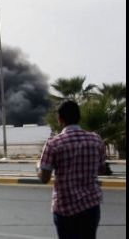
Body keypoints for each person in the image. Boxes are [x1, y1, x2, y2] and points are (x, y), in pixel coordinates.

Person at [38, 100, 107, 239]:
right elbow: (102, 169)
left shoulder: (53, 143)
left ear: (60, 119)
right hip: (91, 207)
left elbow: (44, 178)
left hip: (65, 209)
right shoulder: (96, 140)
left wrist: (38, 167)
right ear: (79, 118)